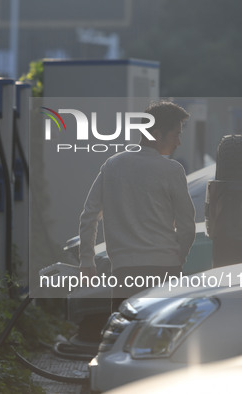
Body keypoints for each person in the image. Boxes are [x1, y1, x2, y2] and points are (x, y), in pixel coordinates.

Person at [78, 101, 196, 309]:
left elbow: (89, 216)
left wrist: (87, 261)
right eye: (176, 134)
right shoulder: (172, 170)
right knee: (163, 335)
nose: (178, 142)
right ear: (157, 135)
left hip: (125, 271)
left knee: (126, 331)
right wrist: (180, 255)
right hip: (165, 269)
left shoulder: (112, 165)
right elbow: (187, 226)